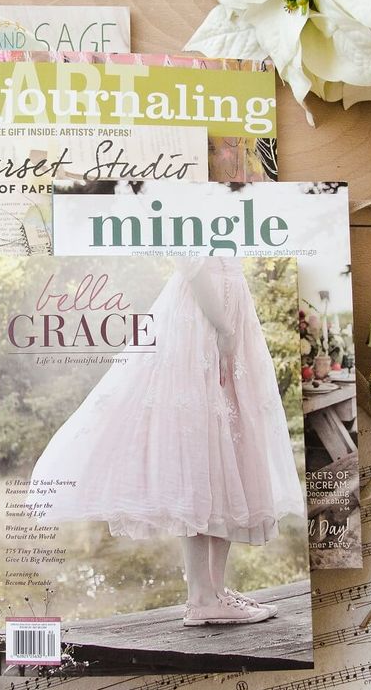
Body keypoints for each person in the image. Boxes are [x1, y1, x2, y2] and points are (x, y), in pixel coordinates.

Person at [28, 257, 305, 625]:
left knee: (229, 453)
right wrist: (223, 326)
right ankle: (202, 595)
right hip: (203, 320)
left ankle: (214, 592)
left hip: (227, 310)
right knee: (201, 454)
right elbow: (192, 261)